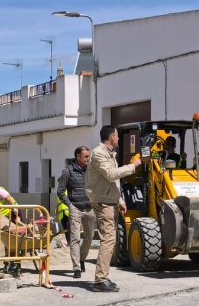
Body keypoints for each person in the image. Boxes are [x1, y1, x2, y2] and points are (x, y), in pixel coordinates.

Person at [86, 125, 141, 292]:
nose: (118, 138)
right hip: (103, 203)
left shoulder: (109, 154)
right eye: (116, 135)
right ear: (111, 137)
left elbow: (113, 182)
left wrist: (120, 200)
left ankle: (103, 276)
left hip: (110, 201)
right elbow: (111, 174)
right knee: (108, 240)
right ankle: (99, 280)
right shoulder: (99, 153)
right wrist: (133, 166)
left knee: (110, 240)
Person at [57, 146, 96, 279]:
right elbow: (60, 191)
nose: (88, 159)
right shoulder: (68, 171)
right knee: (75, 238)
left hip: (89, 208)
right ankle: (76, 268)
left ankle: (82, 259)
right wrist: (70, 205)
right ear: (78, 157)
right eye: (86, 156)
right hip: (75, 208)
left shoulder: (91, 170)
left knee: (89, 237)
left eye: (88, 156)